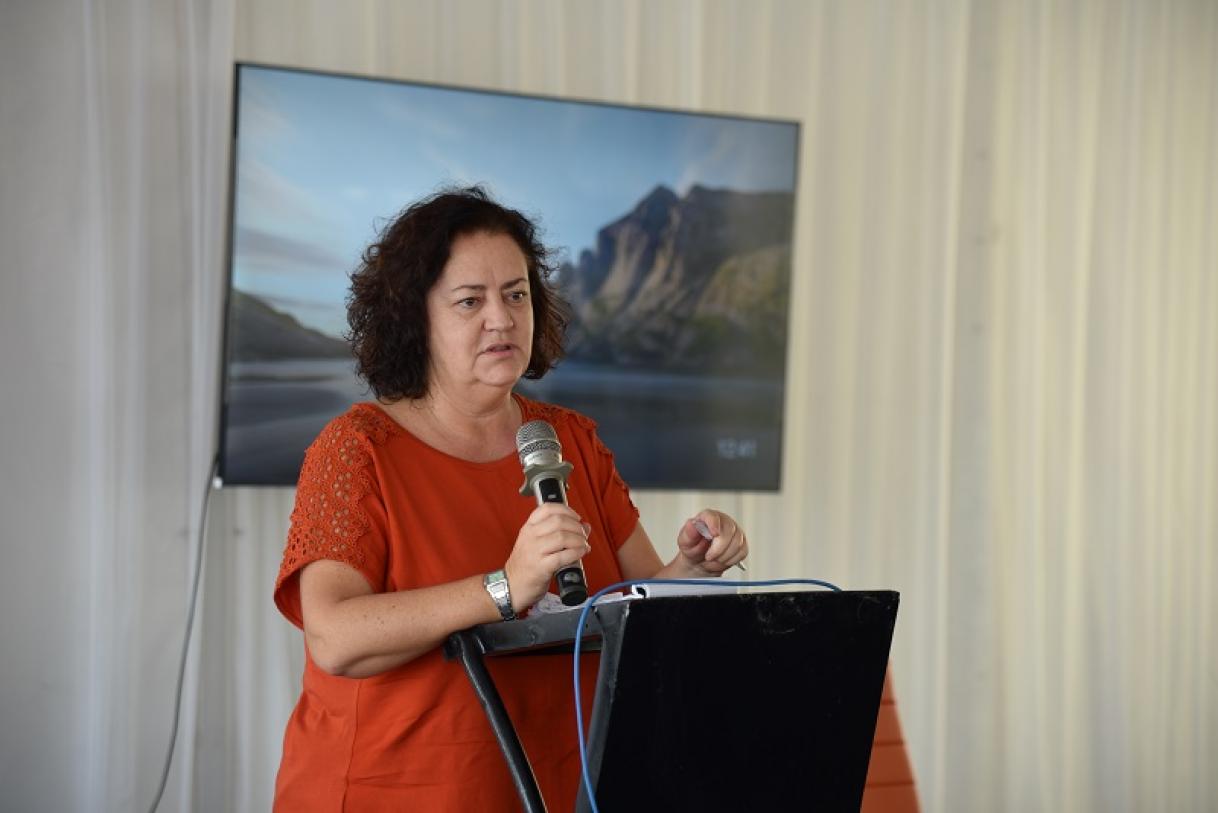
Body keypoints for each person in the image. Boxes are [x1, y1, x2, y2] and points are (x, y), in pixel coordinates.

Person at [272, 186, 749, 811]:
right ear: (415, 318)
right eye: (470, 301)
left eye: (516, 294)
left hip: (557, 785)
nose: (501, 319)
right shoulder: (355, 450)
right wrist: (503, 588)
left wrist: (692, 567)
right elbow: (333, 637)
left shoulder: (570, 438)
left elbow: (638, 609)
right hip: (397, 789)